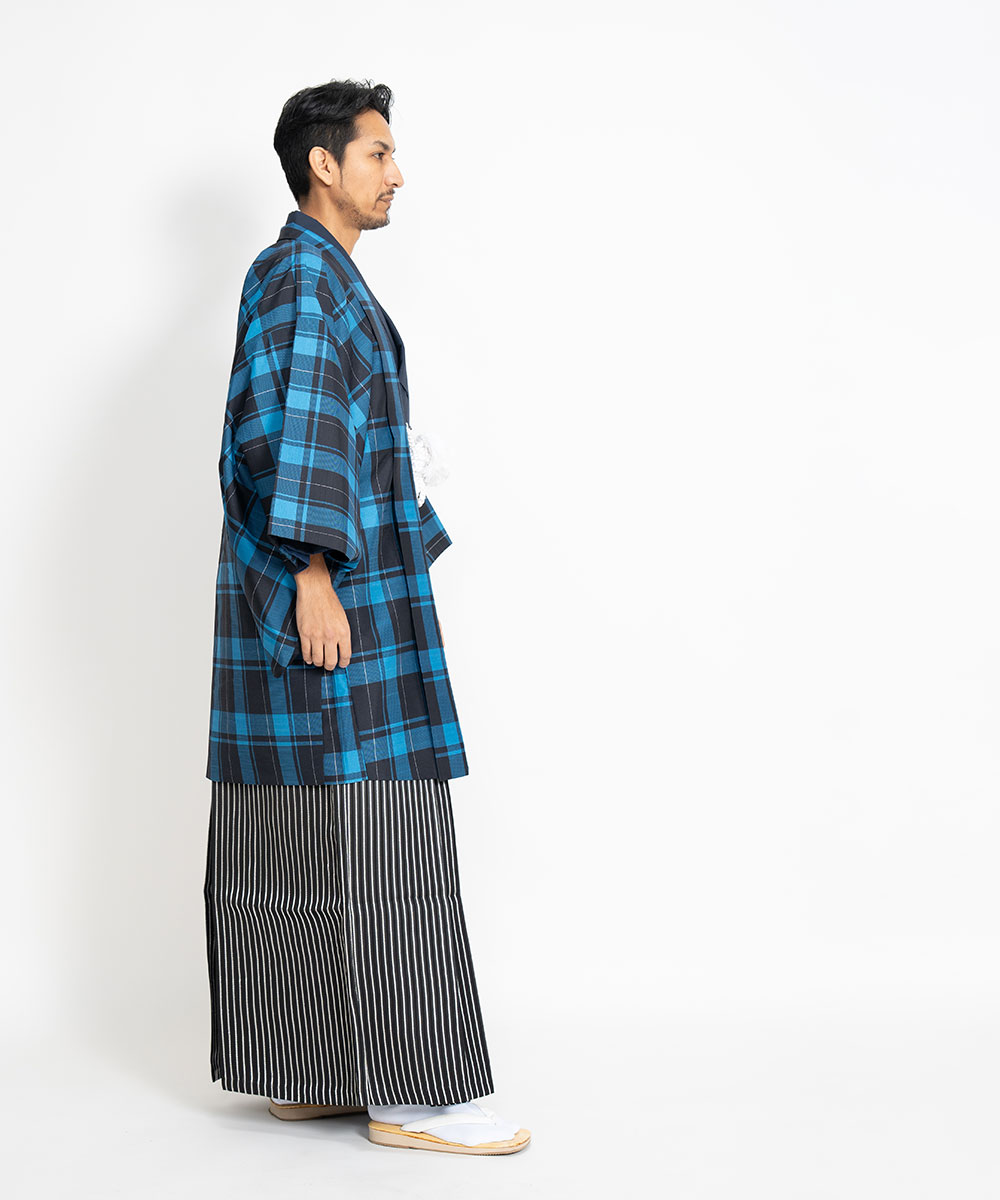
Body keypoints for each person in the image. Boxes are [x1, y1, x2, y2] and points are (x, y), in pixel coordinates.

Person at [202, 79, 531, 1156]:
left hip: (333, 583)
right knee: (384, 824)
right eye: (379, 153)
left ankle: (309, 1069)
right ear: (323, 165)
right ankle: (415, 1094)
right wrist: (310, 571)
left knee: (294, 826)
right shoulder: (304, 276)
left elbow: (332, 431)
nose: (397, 174)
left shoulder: (309, 276)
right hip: (324, 591)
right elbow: (282, 431)